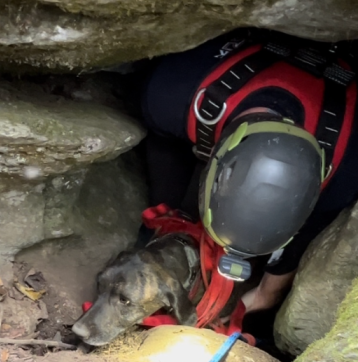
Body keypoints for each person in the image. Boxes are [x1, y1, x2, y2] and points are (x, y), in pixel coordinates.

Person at [141, 29, 357, 314]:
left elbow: (273, 285)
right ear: (213, 162)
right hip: (265, 42)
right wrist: (170, 212)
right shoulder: (172, 92)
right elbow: (161, 142)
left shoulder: (343, 178)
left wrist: (238, 308)